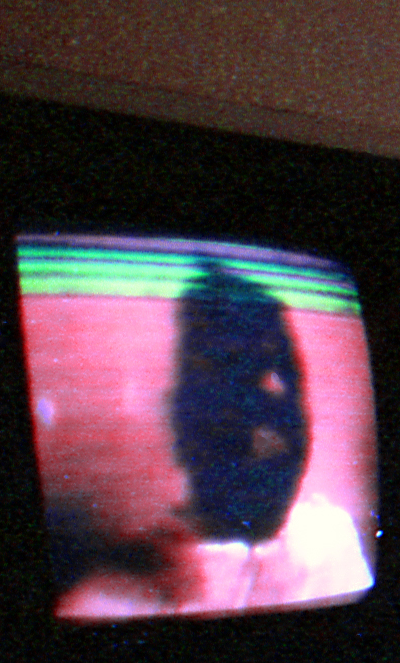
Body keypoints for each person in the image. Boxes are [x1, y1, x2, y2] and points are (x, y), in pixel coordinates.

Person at [54, 257, 374, 617]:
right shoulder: (103, 606)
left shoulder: (331, 542)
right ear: (174, 413)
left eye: (284, 375)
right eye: (227, 375)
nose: (267, 413)